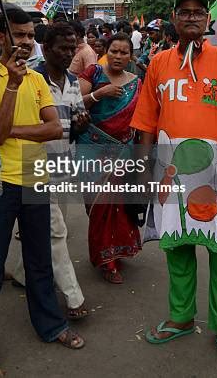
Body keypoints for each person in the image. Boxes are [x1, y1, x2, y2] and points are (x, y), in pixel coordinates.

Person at [131, 0, 217, 369]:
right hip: (172, 173)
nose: (191, 17)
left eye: (198, 12)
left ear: (207, 20)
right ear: (174, 18)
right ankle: (181, 317)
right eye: (184, 11)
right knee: (178, 250)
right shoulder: (158, 63)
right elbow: (146, 122)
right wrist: (142, 171)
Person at [0, 9, 84, 377]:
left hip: (36, 176)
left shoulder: (37, 78)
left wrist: (12, 130)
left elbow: (54, 130)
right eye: (20, 34)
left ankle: (51, 324)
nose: (28, 42)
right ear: (1, 37)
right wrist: (11, 87)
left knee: (39, 261)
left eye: (31, 35)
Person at [13, 22, 89, 319]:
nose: (69, 53)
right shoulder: (31, 79)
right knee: (56, 232)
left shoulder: (72, 80)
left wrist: (80, 123)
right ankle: (73, 298)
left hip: (63, 166)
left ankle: (21, 274)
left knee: (46, 228)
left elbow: (77, 116)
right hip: (35, 168)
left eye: (73, 48)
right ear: (46, 49)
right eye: (63, 48)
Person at [78, 33, 142, 284]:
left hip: (123, 151)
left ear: (130, 55)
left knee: (118, 207)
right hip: (91, 148)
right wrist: (99, 94)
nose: (118, 56)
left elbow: (143, 118)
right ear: (106, 51)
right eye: (114, 51)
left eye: (123, 52)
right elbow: (72, 105)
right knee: (98, 207)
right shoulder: (93, 73)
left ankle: (115, 254)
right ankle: (104, 258)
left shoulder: (136, 82)